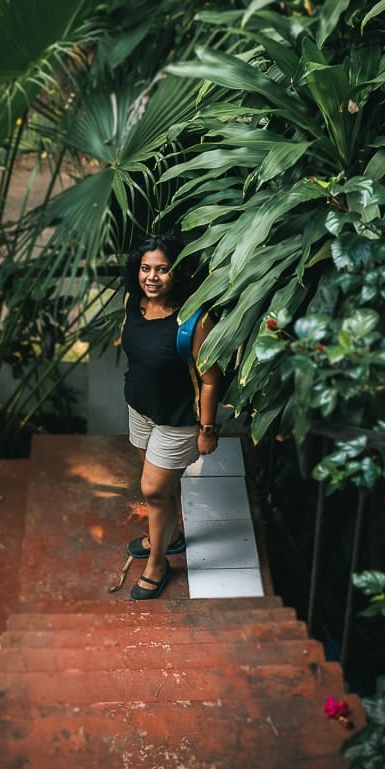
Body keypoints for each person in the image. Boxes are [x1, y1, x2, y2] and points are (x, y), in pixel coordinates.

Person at [120, 234, 222, 600]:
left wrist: (208, 430)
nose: (152, 277)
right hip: (140, 409)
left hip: (177, 421)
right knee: (162, 489)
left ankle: (159, 563)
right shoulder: (134, 303)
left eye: (162, 269)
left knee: (152, 490)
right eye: (146, 268)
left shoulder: (192, 321)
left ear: (176, 274)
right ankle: (172, 535)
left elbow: (211, 379)